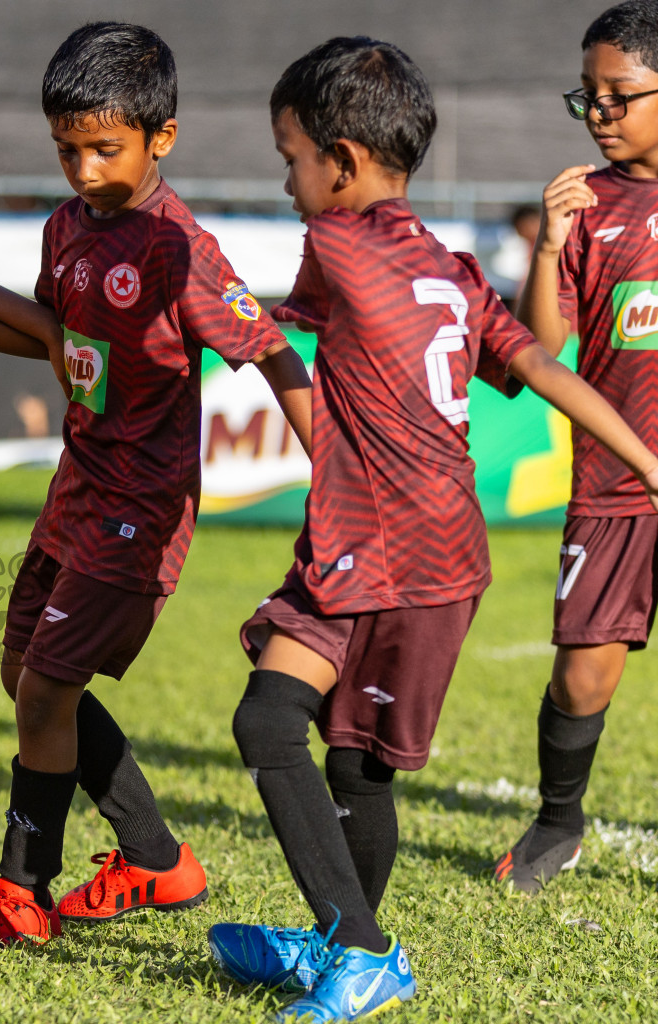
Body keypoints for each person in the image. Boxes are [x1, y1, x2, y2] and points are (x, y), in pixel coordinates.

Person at [206, 37, 658, 1023]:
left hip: (409, 555)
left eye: (291, 158)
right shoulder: (451, 268)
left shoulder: (335, 240)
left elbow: (283, 331)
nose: (286, 181)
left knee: (342, 757)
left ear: (344, 159)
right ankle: (346, 941)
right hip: (394, 544)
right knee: (297, 733)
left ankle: (359, 946)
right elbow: (542, 370)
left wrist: (196, 278)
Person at [0, 21, 314, 945]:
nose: (83, 169)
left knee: (45, 689)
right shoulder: (66, 227)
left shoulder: (183, 249)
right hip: (77, 486)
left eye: (104, 148)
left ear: (160, 137)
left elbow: (273, 355)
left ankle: (23, 891)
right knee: (23, 674)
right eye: (66, 148)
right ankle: (156, 858)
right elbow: (52, 337)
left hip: (141, 505)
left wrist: (334, 478)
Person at [497, 0, 658, 897]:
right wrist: (551, 246)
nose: (598, 114)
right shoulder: (586, 208)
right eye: (587, 98)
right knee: (583, 673)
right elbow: (540, 355)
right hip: (613, 482)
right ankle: (558, 821)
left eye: (619, 96)